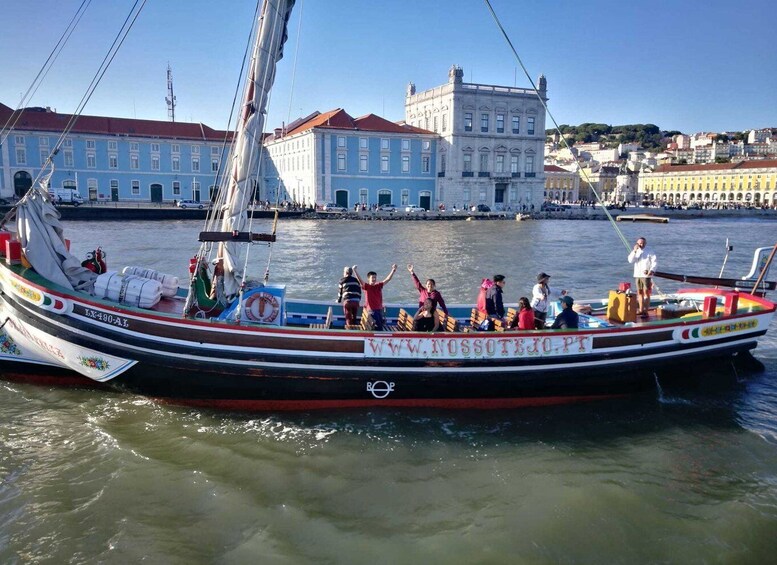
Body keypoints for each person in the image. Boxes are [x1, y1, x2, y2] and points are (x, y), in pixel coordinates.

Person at [352, 264, 397, 330]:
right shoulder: (367, 287)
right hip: (372, 310)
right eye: (372, 277)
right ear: (368, 279)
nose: (374, 279)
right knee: (379, 328)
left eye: (375, 277)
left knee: (380, 325)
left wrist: (393, 270)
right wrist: (354, 270)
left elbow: (388, 279)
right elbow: (360, 280)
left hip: (379, 309)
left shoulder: (378, 285)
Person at [627, 237, 658, 317]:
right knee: (639, 292)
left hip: (646, 275)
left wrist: (652, 270)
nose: (641, 244)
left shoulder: (649, 251)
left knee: (646, 293)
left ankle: (646, 311)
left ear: (645, 243)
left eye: (643, 243)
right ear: (637, 243)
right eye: (640, 243)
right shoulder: (636, 251)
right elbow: (630, 260)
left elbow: (654, 262)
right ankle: (641, 309)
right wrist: (634, 251)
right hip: (637, 274)